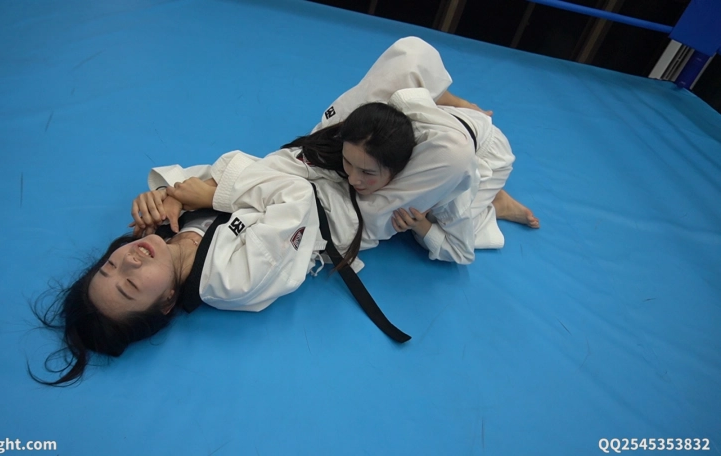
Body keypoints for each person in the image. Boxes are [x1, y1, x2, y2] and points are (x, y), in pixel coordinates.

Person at [32, 102, 416, 386]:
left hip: (310, 160)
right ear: (167, 301)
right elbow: (295, 198)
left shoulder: (159, 231)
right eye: (130, 285)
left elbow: (215, 172)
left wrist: (169, 194)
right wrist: (211, 195)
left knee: (410, 56)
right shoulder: (232, 280)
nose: (128, 261)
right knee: (445, 150)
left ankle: (450, 106)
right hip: (350, 208)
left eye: (109, 266)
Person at [251, 37, 539, 265]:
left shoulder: (447, 172)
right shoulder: (371, 120)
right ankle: (461, 107)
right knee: (408, 60)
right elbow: (412, 57)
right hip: (454, 121)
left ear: (398, 170)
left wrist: (421, 226)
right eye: (349, 164)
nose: (353, 178)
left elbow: (460, 253)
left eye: (367, 172)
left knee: (422, 217)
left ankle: (496, 203)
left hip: (489, 153)